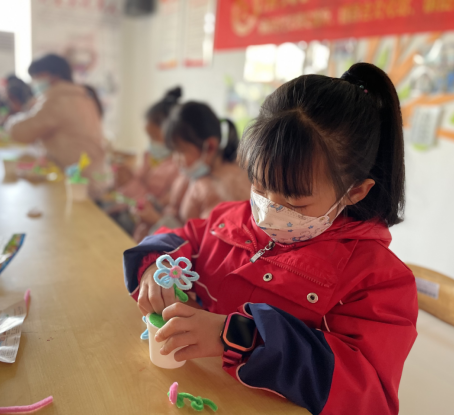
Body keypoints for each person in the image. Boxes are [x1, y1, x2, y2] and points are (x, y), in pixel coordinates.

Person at [123, 63, 418, 414]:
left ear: (355, 191)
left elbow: (369, 396)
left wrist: (238, 335)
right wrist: (152, 267)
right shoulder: (232, 219)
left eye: (295, 200)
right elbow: (178, 238)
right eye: (260, 186)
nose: (268, 210)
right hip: (198, 394)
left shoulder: (377, 281)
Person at [134, 101, 250, 237]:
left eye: (181, 151)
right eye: (174, 151)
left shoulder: (223, 192)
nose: (176, 159)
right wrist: (157, 208)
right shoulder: (195, 175)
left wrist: (158, 221)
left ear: (210, 146)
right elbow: (178, 213)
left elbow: (206, 243)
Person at [6, 54, 107, 197]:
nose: (34, 82)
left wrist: (14, 117)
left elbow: (20, 133)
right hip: (94, 177)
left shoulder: (57, 100)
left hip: (80, 185)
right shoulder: (82, 95)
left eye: (37, 76)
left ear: (53, 76)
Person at [102, 87, 183, 237]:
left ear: (173, 135)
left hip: (149, 230)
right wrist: (124, 178)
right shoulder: (149, 156)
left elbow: (155, 208)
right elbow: (138, 184)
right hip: (132, 218)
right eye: (149, 137)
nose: (151, 143)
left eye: (154, 137)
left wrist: (129, 184)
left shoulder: (179, 169)